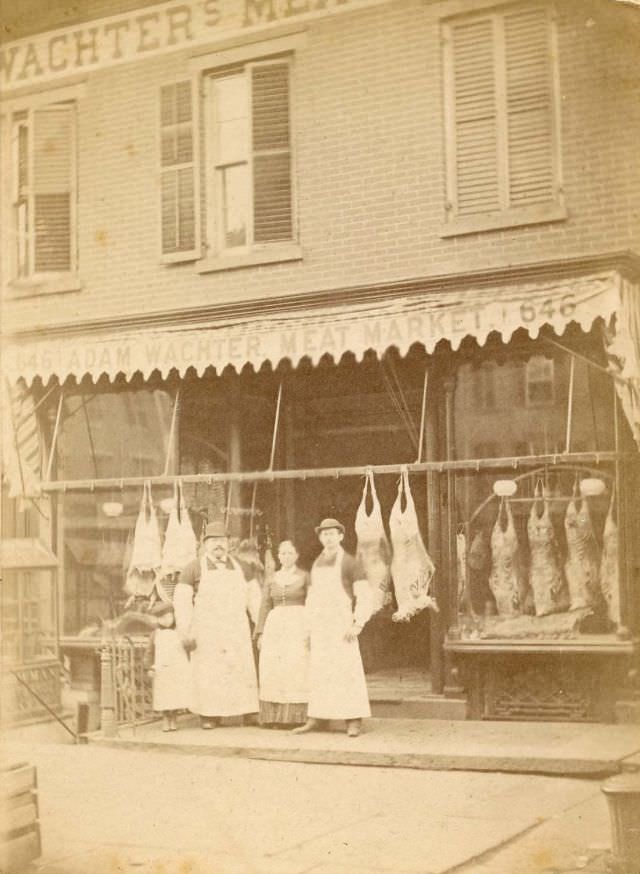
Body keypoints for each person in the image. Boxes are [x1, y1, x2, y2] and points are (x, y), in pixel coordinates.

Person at [173, 520, 262, 729]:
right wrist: (185, 630)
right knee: (210, 671)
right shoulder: (192, 569)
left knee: (240, 668)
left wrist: (260, 627)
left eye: (221, 540)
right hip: (207, 630)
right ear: (205, 544)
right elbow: (182, 602)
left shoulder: (243, 567)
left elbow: (255, 599)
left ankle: (248, 711)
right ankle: (209, 715)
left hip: (236, 628)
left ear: (228, 543)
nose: (218, 545)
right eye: (213, 541)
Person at [293, 518, 373, 738]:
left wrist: (357, 623)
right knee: (321, 671)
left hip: (342, 626)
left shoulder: (350, 563)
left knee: (346, 671)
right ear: (320, 538)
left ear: (341, 536)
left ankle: (353, 719)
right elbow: (311, 598)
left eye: (332, 534)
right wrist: (308, 629)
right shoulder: (316, 564)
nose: (328, 538)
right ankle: (318, 717)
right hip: (320, 626)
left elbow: (364, 594)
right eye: (324, 534)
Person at [254, 540, 310, 728]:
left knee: (295, 666)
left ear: (297, 556)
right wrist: (260, 632)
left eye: (290, 553)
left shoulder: (305, 576)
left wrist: (311, 630)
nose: (286, 557)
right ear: (278, 556)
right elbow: (264, 605)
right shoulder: (271, 578)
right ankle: (274, 717)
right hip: (275, 625)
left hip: (298, 623)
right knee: (274, 668)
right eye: (283, 553)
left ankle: (297, 717)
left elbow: (312, 604)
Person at [144, 601, 191, 732]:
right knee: (164, 695)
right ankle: (165, 718)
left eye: (169, 616)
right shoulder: (156, 634)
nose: (166, 620)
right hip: (162, 669)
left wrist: (189, 642)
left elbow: (189, 648)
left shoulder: (180, 632)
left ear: (174, 616)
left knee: (175, 695)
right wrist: (149, 667)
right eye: (162, 618)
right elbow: (149, 652)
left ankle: (174, 719)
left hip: (177, 668)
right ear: (158, 619)